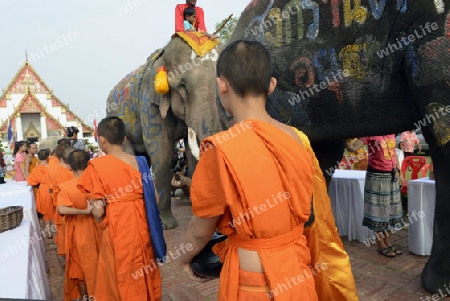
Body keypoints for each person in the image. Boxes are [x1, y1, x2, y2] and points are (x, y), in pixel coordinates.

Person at [179, 40, 358, 300]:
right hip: (298, 272)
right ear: (271, 85)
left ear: (222, 84)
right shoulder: (298, 139)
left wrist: (184, 257)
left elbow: (200, 228)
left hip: (252, 284)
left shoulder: (219, 150)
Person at [77, 116, 162, 301]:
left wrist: (98, 208)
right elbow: (155, 197)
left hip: (117, 227)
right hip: (142, 226)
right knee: (143, 266)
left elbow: (98, 211)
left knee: (118, 274)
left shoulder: (97, 166)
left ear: (102, 140)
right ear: (124, 139)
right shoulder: (141, 163)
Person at [347, 135, 404, 258]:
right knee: (378, 211)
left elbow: (393, 152)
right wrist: (343, 139)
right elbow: (352, 148)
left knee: (391, 211)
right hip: (376, 176)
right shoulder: (371, 132)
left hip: (392, 176)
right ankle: (380, 243)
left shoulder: (391, 132)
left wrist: (400, 172)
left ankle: (388, 241)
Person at [57, 149, 100, 301]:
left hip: (79, 233)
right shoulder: (96, 183)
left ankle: (86, 298)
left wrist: (84, 212)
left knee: (81, 270)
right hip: (99, 229)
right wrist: (89, 211)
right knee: (101, 264)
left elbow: (61, 208)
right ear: (89, 163)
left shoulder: (66, 187)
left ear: (69, 166)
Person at [47, 144, 75, 260]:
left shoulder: (50, 168)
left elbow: (50, 189)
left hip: (60, 204)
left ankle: (67, 255)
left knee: (63, 232)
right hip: (74, 205)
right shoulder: (72, 170)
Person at [27, 148, 54, 237]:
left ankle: (49, 230)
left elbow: (30, 181)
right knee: (56, 208)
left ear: (38, 158)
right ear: (48, 157)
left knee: (46, 211)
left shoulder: (37, 169)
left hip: (43, 190)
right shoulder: (54, 166)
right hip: (54, 189)